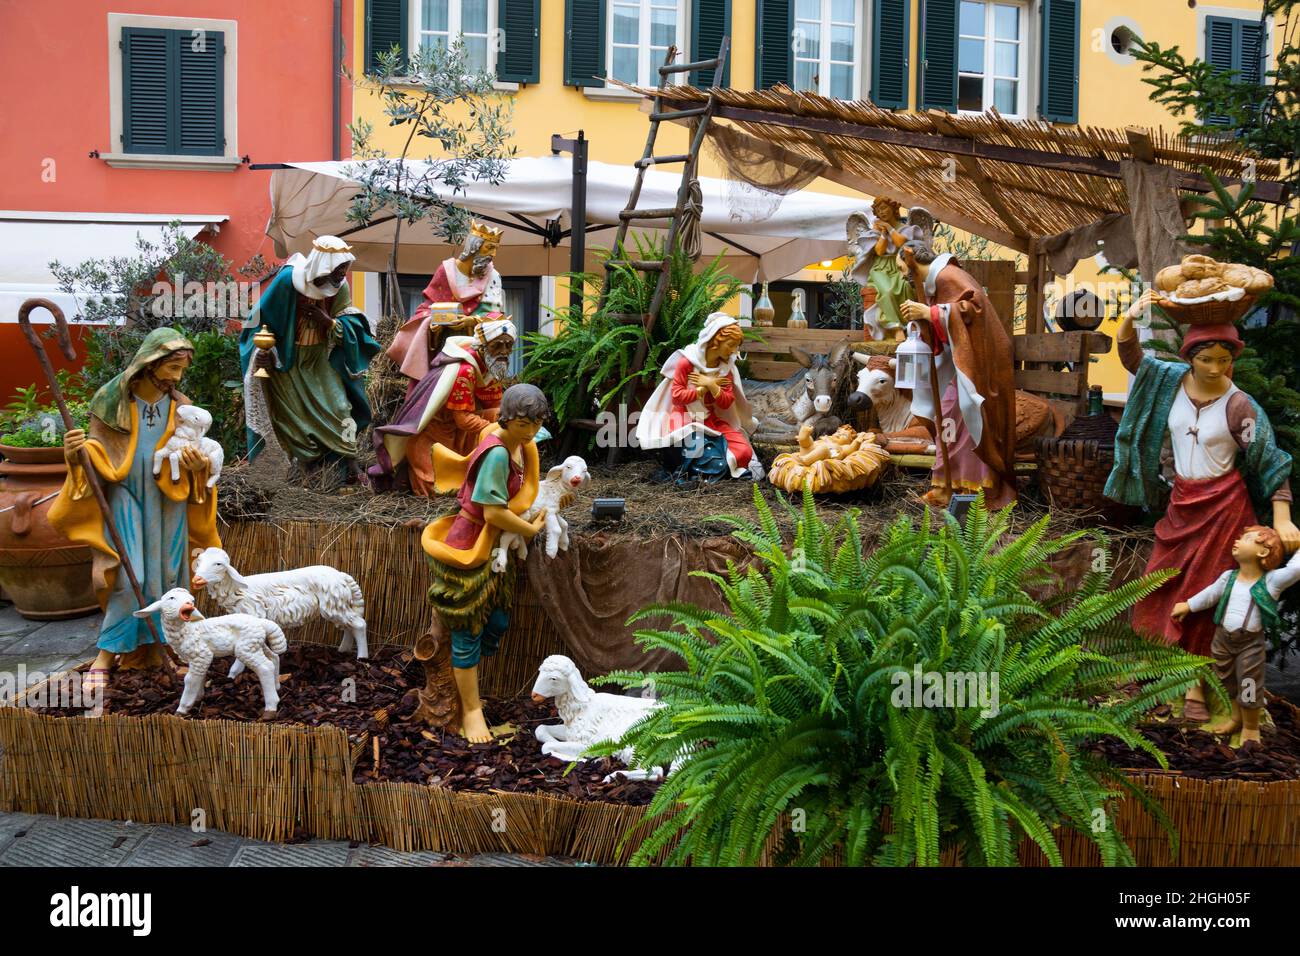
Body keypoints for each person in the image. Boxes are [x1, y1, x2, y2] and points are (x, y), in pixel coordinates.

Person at [1106, 288, 1296, 721]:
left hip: (1224, 510)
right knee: (1160, 587)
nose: (1214, 368)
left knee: (1205, 600)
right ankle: (1162, 677)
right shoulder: (1167, 381)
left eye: (1223, 360)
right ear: (1190, 355)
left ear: (1233, 359)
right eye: (1205, 358)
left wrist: (1282, 517)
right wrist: (1129, 320)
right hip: (1181, 507)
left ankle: (1199, 689)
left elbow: (1270, 459)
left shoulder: (1238, 405)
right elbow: (1132, 357)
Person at [49, 329, 222, 694]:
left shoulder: (181, 406)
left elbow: (195, 455)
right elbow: (97, 452)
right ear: (150, 362)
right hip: (127, 495)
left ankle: (168, 649)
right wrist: (75, 452)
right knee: (131, 578)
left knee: (170, 578)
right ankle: (107, 653)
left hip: (169, 499)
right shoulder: (111, 400)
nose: (176, 378)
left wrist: (196, 465)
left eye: (181, 370)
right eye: (172, 368)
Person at [417, 384, 550, 743]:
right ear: (508, 419)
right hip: (471, 542)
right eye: (525, 424)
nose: (533, 431)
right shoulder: (497, 454)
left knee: (498, 620)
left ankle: (469, 676)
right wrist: (529, 528)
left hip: (492, 548)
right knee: (468, 633)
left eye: (537, 423)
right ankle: (472, 711)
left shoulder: (517, 444)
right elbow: (493, 511)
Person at [896, 214, 1017, 509]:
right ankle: (945, 484)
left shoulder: (950, 276)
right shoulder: (937, 285)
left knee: (967, 415)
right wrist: (926, 319)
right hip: (958, 369)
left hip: (977, 372)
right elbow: (945, 336)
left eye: (903, 269)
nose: (903, 277)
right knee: (946, 418)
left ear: (912, 259)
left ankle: (979, 489)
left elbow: (971, 309)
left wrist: (930, 313)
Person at [240, 236, 380, 486]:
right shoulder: (288, 281)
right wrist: (264, 352)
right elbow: (260, 321)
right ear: (322, 267)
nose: (341, 276)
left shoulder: (340, 287)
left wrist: (326, 321)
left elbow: (349, 320)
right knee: (292, 417)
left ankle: (351, 463)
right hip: (288, 362)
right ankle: (307, 469)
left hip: (320, 359)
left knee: (340, 409)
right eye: (337, 271)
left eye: (344, 271)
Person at [1173, 526, 1300, 744]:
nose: (1238, 541)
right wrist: (1189, 605)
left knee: (1249, 683)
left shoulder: (1271, 581)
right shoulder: (1228, 577)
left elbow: (1296, 570)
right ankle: (1235, 719)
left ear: (1263, 552)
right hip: (1222, 639)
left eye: (1247, 539)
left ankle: (1251, 727)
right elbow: (1211, 594)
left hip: (1249, 643)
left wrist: (1297, 545)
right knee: (1228, 681)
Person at [370, 318, 516, 496]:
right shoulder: (465, 371)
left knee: (502, 417)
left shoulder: (492, 364)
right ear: (483, 347)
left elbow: (495, 405)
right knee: (440, 488)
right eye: (497, 346)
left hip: (459, 432)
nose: (504, 352)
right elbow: (463, 420)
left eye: (509, 345)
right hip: (435, 434)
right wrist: (495, 429)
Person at [635, 312, 757, 483]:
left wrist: (711, 384)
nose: (734, 351)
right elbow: (677, 397)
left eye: (736, 346)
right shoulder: (687, 362)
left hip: (711, 421)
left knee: (744, 452)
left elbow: (727, 401)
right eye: (731, 345)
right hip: (685, 422)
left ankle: (716, 470)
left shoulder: (726, 368)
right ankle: (702, 474)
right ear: (716, 340)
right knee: (713, 460)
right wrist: (700, 390)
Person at [387, 221, 504, 387]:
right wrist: (433, 324)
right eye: (489, 247)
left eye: (495, 249)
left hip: (475, 343)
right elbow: (427, 307)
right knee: (441, 386)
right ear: (474, 247)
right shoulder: (446, 271)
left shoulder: (493, 275)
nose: (493, 254)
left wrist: (471, 321)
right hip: (444, 343)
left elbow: (494, 314)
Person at [847, 198, 924, 341]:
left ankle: (910, 325)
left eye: (884, 208)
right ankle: (895, 327)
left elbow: (901, 243)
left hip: (900, 265)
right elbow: (880, 251)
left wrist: (889, 228)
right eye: (879, 210)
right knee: (887, 291)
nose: (882, 212)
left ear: (893, 209)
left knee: (907, 287)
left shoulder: (907, 229)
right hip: (880, 268)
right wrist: (883, 233)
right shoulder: (875, 231)